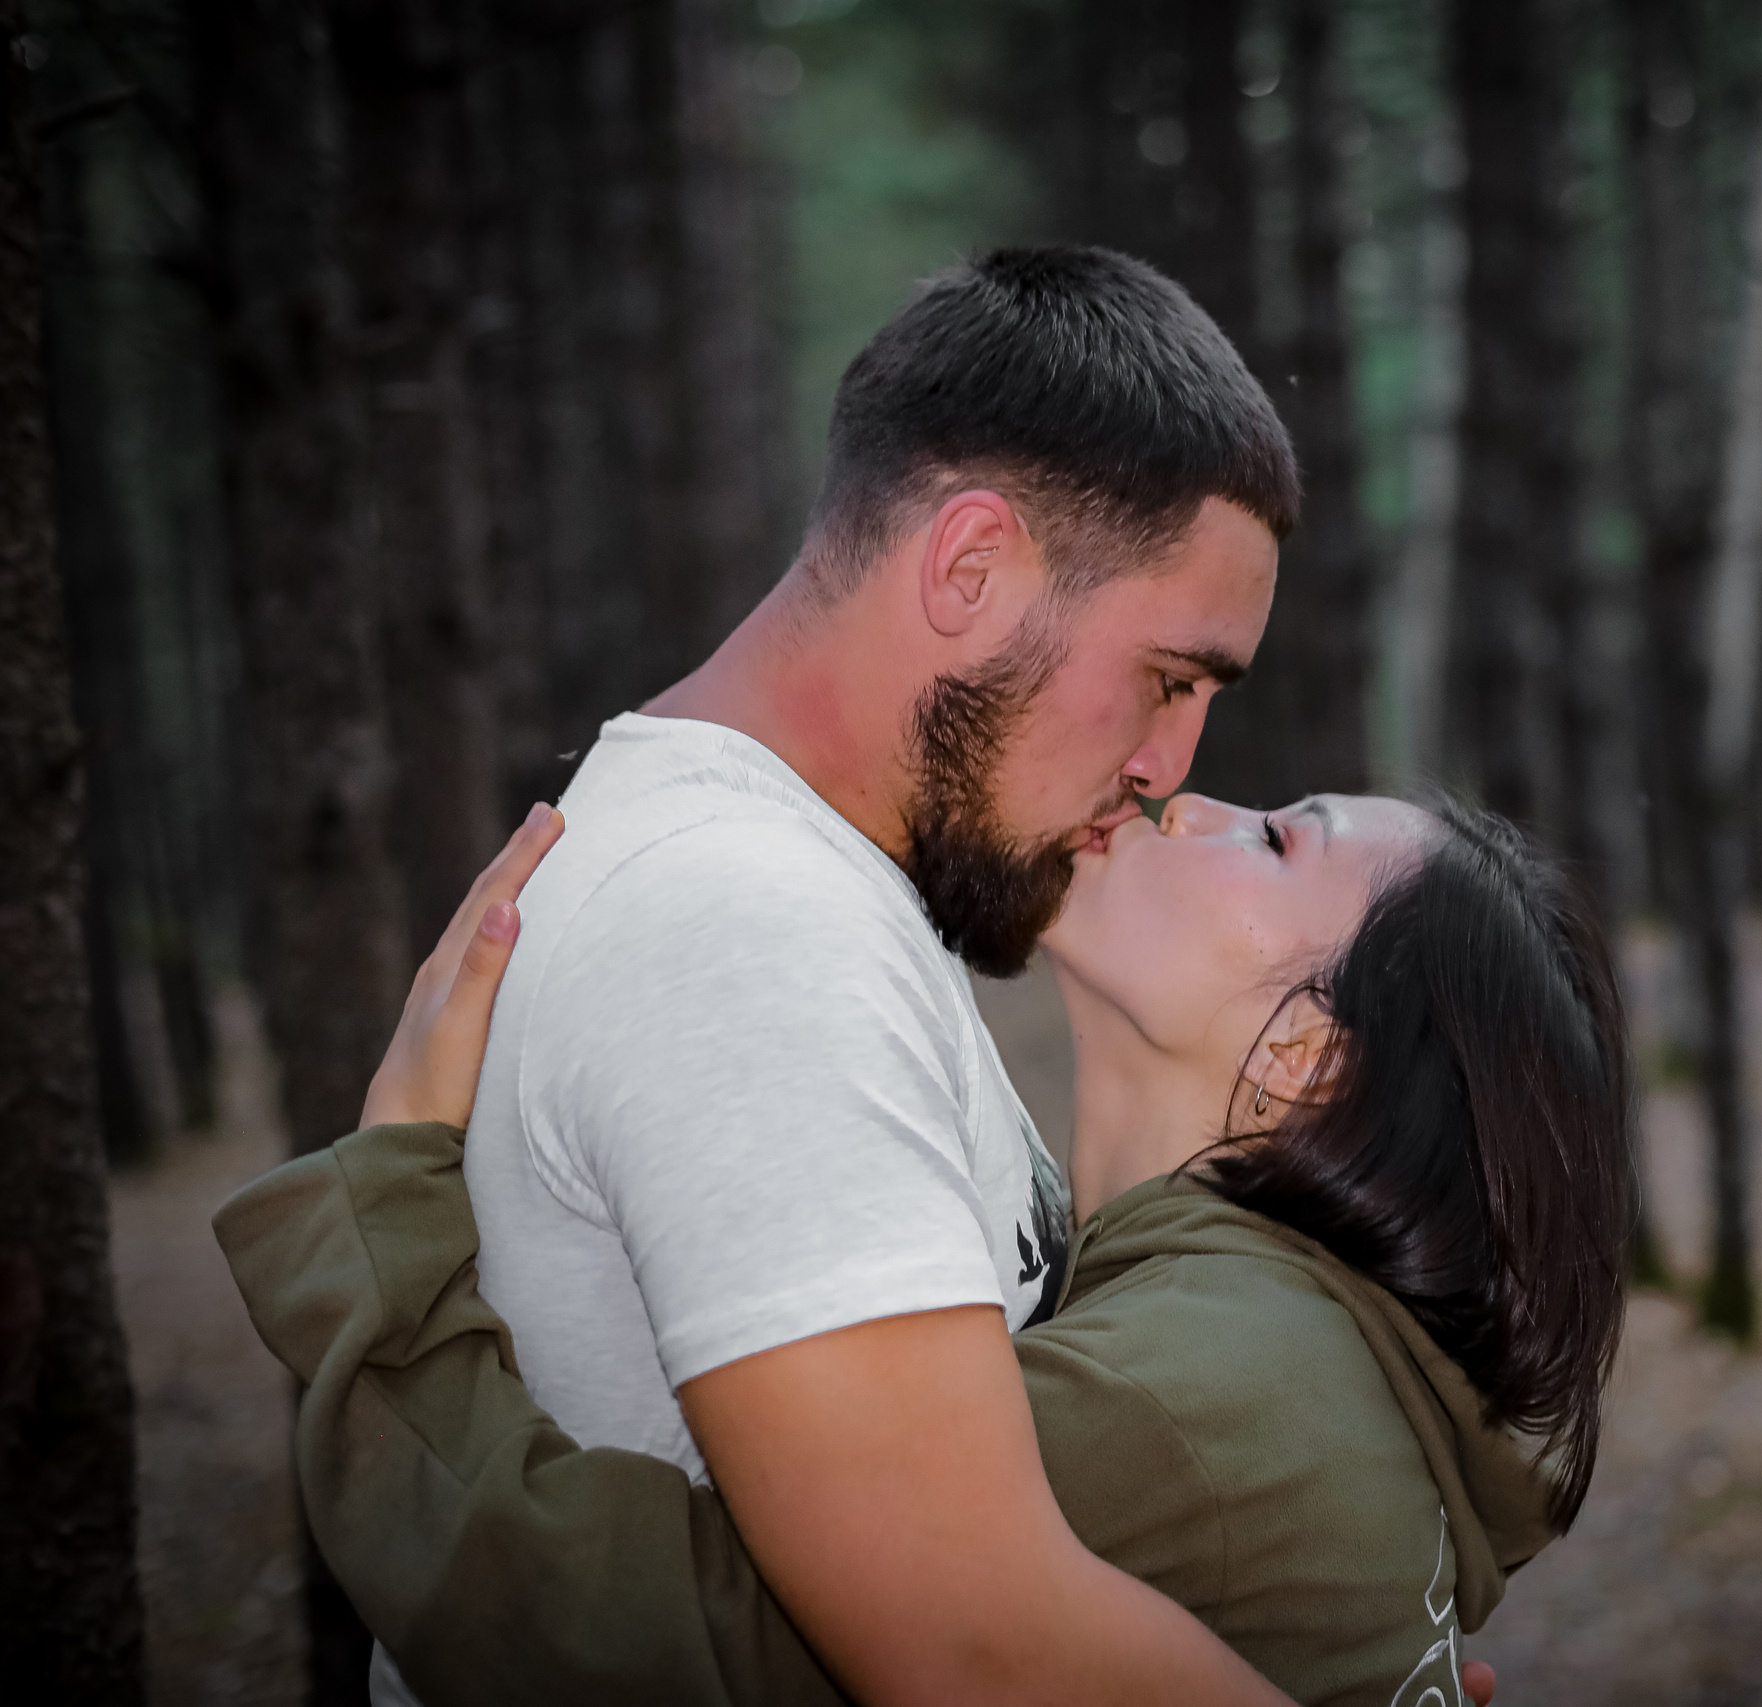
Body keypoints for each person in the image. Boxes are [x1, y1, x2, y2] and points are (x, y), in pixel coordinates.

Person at [309, 244, 1301, 1707]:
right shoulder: (742, 925)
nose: (1166, 770)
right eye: (1168, 678)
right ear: (969, 565)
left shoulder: (796, 881)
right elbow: (974, 1653)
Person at [221, 787, 1629, 1705]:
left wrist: (389, 1186)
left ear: (1309, 1059)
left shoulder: (1193, 1400)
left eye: (1273, 839)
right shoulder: (1275, 1359)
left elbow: (559, 1628)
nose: (1186, 796)